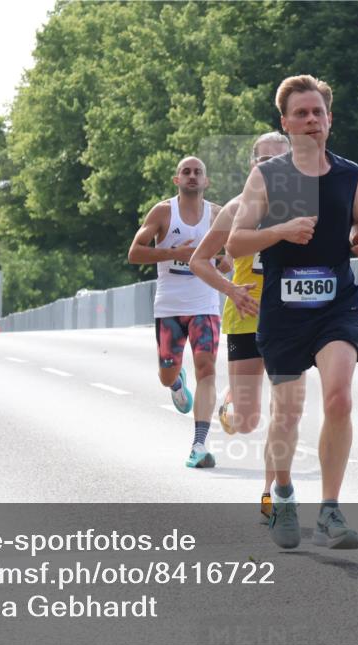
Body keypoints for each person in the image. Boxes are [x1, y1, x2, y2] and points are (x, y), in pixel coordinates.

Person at [226, 74, 358, 550]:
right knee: (286, 413)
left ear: (329, 120)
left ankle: (330, 511)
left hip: (336, 302)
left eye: (318, 113)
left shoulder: (349, 173)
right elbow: (236, 240)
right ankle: (284, 495)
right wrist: (281, 231)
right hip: (284, 309)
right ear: (285, 123)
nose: (311, 121)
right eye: (301, 114)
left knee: (339, 399)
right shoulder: (268, 176)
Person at [191, 131, 290, 522]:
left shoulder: (304, 206)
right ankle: (229, 406)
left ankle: (272, 496)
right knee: (247, 422)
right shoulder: (235, 209)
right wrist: (230, 289)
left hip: (289, 319)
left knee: (283, 411)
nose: (271, 168)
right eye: (263, 161)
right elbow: (201, 260)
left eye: (279, 161)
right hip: (246, 315)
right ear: (253, 165)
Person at [127, 156, 226, 469]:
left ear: (206, 181)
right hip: (169, 306)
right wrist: (174, 253)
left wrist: (224, 263)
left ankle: (199, 444)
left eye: (198, 172)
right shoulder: (163, 212)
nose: (192, 176)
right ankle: (175, 383)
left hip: (205, 305)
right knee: (166, 373)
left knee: (207, 369)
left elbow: (232, 256)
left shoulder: (217, 214)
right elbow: (134, 252)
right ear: (177, 180)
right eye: (187, 172)